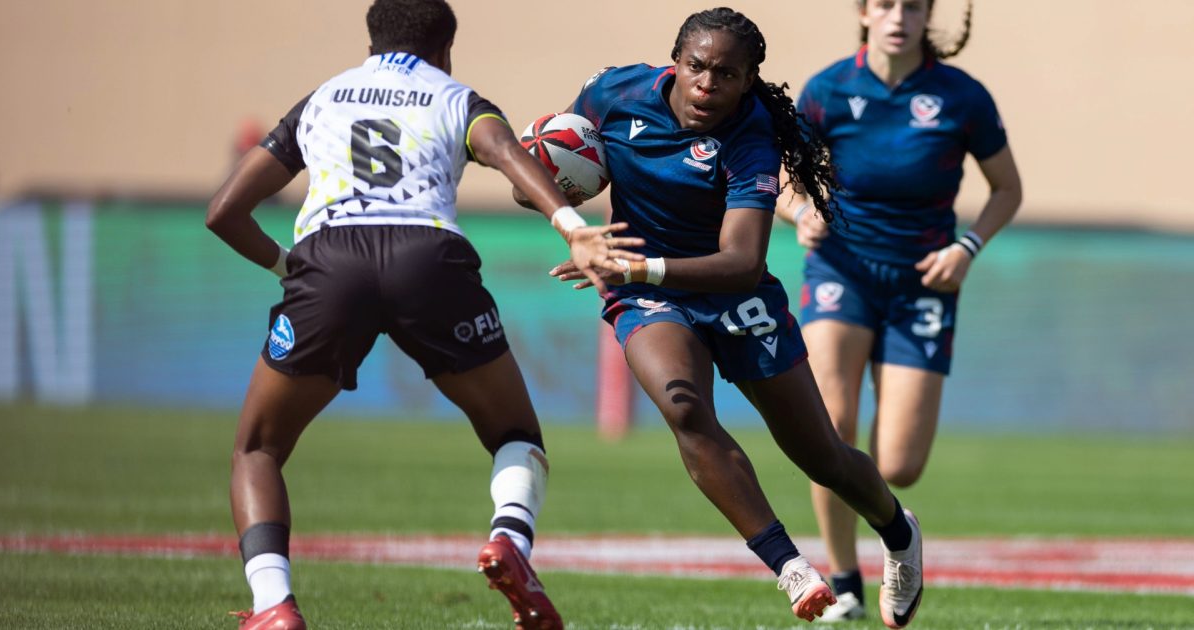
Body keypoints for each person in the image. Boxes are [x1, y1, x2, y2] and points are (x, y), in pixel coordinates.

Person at [205, 1, 643, 628]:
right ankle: (511, 544)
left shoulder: (322, 100)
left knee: (257, 449)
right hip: (427, 257)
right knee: (515, 434)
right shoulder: (455, 96)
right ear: (445, 48)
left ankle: (274, 606)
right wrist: (572, 225)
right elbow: (507, 152)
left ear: (372, 36)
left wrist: (291, 270)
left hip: (329, 261)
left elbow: (224, 211)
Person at [544, 7, 925, 628]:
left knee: (822, 456)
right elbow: (550, 162)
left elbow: (742, 262)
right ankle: (791, 568)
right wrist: (546, 180)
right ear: (675, 62)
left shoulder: (751, 138)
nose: (707, 84)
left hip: (727, 294)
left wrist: (635, 269)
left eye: (726, 74)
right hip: (647, 297)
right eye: (696, 67)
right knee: (684, 406)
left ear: (749, 81)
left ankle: (897, 530)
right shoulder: (611, 92)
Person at [776, 0, 1022, 622]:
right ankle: (846, 579)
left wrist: (967, 247)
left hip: (923, 284)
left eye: (912, 6)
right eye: (884, 4)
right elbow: (782, 176)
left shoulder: (962, 97)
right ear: (862, 13)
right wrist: (799, 212)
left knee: (901, 466)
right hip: (841, 272)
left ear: (927, 15)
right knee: (829, 433)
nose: (898, 17)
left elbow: (1007, 188)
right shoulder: (828, 89)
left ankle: (896, 525)